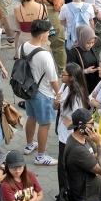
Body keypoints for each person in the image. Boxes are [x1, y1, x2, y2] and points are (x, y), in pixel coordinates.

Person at [20, 19, 61, 166]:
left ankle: (29, 144)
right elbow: (53, 79)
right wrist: (59, 93)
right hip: (43, 93)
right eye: (48, 32)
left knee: (31, 117)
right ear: (42, 36)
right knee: (44, 124)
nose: (49, 34)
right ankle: (41, 156)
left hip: (28, 89)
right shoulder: (45, 55)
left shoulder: (23, 46)